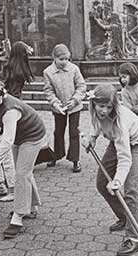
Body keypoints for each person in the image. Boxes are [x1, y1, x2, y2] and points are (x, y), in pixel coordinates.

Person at [0, 74, 46, 238]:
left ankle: (18, 217)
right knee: (24, 172)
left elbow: (7, 140)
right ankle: (32, 207)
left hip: (32, 135)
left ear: (0, 94)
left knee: (20, 174)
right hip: (20, 135)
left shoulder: (10, 110)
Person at [82, 83, 138, 256]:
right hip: (115, 143)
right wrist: (91, 137)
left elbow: (125, 157)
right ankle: (126, 218)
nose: (104, 110)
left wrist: (118, 180)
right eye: (101, 106)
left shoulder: (119, 120)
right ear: (94, 103)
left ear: (114, 106)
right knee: (102, 184)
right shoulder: (95, 111)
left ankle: (134, 238)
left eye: (109, 107)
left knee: (132, 191)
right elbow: (97, 124)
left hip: (136, 145)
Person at [0, 41, 34, 201]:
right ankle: (7, 186)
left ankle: (4, 185)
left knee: (2, 148)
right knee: (6, 150)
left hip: (6, 108)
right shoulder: (21, 70)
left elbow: (5, 88)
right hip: (11, 107)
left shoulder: (10, 68)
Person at [43, 43, 86, 172]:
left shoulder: (74, 69)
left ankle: (75, 159)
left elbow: (81, 86)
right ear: (54, 58)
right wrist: (55, 103)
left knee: (74, 133)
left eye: (67, 59)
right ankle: (57, 155)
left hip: (74, 106)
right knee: (58, 131)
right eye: (61, 59)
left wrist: (75, 100)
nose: (64, 62)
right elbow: (48, 90)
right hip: (59, 107)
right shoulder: (48, 72)